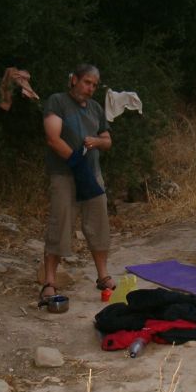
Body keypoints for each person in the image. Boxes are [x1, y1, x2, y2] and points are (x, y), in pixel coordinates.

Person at [40, 64, 115, 299]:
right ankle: (49, 282)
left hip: (93, 175)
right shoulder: (57, 101)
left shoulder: (95, 108)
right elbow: (53, 138)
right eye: (87, 82)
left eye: (94, 85)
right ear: (74, 80)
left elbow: (107, 139)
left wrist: (96, 141)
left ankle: (103, 277)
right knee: (60, 224)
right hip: (64, 175)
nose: (90, 88)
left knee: (99, 224)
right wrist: (76, 161)